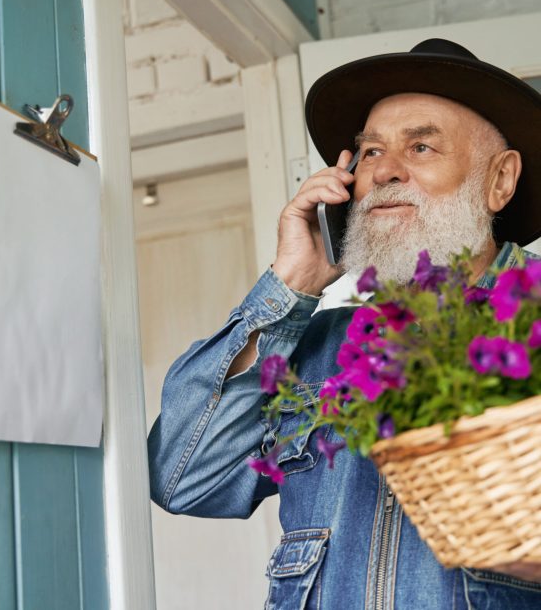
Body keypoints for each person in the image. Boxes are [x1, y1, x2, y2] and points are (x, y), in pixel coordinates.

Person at [147, 39, 541, 609]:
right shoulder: (319, 347)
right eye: (371, 151)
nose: (384, 172)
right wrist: (288, 287)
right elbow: (183, 477)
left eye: (421, 146)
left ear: (499, 181)